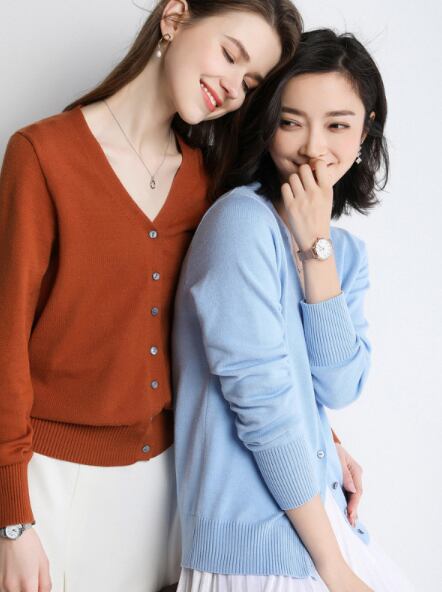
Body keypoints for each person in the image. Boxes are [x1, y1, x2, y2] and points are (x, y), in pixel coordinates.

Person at [0, 2, 302, 591]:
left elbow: (251, 335)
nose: (232, 88)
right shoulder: (42, 155)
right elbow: (5, 341)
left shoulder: (210, 184)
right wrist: (12, 517)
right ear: (174, 18)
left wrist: (324, 442)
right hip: (52, 482)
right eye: (230, 54)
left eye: (249, 83)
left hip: (169, 488)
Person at [172, 29, 415, 591]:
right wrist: (334, 568)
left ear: (365, 130)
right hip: (255, 548)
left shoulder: (343, 253)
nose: (312, 147)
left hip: (321, 526)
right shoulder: (240, 224)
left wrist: (315, 249)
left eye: (337, 125)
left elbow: (339, 385)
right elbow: (264, 407)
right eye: (291, 121)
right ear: (266, 124)